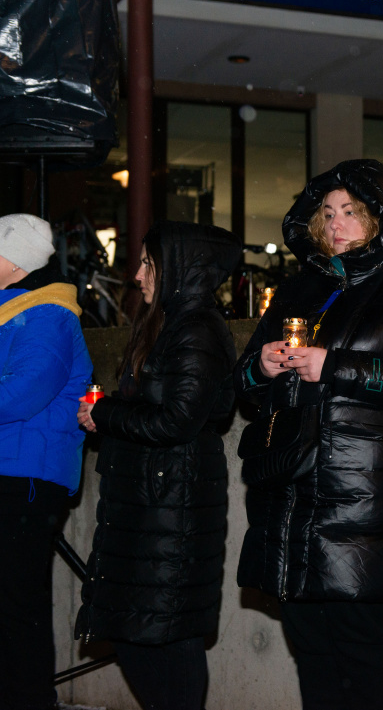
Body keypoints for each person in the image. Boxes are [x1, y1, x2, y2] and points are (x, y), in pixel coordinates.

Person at [234, 159, 383, 710]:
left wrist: (333, 366)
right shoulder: (296, 291)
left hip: (364, 501)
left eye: (351, 212)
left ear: (380, 218)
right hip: (292, 494)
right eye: (328, 212)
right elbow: (239, 386)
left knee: (362, 646)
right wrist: (261, 367)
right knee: (310, 644)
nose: (336, 223)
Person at [74, 221, 241, 710]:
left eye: (148, 264)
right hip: (149, 500)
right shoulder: (166, 323)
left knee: (167, 630)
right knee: (136, 629)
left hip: (173, 503)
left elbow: (178, 419)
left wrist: (107, 413)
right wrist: (109, 412)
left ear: (179, 269)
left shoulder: (197, 329)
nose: (137, 275)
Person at [0, 214, 91, 710]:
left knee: (18, 603)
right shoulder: (13, 311)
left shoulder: (48, 314)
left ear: (16, 263)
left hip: (25, 475)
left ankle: (30, 701)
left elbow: (21, 394)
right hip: (11, 470)